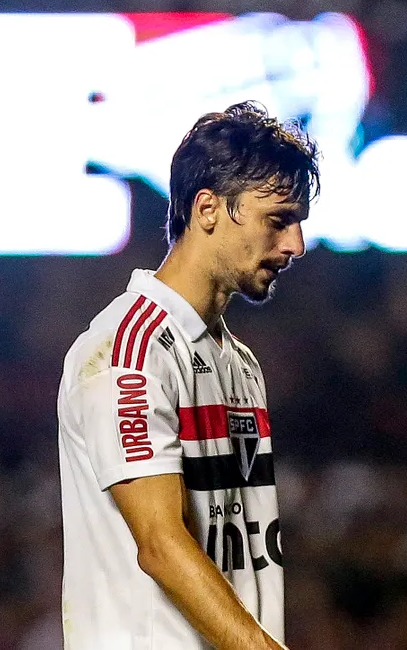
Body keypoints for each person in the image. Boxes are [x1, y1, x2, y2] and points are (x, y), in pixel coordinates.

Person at [56, 101, 319, 649]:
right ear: (208, 209)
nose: (294, 244)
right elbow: (160, 543)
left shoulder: (239, 363)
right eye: (278, 220)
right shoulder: (129, 351)